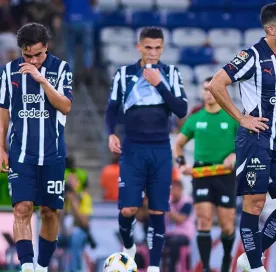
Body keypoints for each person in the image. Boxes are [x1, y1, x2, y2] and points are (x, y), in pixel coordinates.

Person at [206, 3, 276, 272]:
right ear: (270, 29)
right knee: (255, 203)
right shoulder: (251, 56)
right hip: (255, 139)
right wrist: (241, 117)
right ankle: (255, 266)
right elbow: (216, 83)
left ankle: (250, 256)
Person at [104, 26, 188, 272]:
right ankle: (128, 245)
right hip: (133, 148)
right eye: (148, 47)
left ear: (163, 48)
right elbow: (111, 109)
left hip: (161, 149)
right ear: (138, 47)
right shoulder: (124, 74)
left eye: (157, 48)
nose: (153, 53)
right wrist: (111, 133)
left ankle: (153, 266)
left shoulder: (171, 74)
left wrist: (160, 84)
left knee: (157, 209)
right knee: (128, 209)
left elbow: (181, 110)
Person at [0, 23, 73, 272]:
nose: (33, 60)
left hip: (53, 154)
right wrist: (1, 149)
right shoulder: (9, 72)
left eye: (37, 55)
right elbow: (3, 112)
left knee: (49, 212)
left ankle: (42, 266)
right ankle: (27, 267)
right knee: (22, 208)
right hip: (21, 153)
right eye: (27, 55)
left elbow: (66, 106)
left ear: (46, 47)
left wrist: (41, 80)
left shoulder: (60, 69)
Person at [174, 76, 239, 272]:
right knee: (203, 220)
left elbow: (247, 144)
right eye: (205, 89)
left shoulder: (232, 118)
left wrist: (235, 155)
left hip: (225, 174)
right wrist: (182, 163)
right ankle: (205, 267)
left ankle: (227, 259)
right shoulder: (195, 119)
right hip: (202, 173)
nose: (208, 93)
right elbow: (178, 145)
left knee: (227, 225)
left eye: (212, 89)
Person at [164, 181, 195, 272]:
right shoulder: (168, 201)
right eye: (171, 189)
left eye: (175, 189)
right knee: (156, 240)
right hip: (169, 233)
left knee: (174, 242)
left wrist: (167, 208)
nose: (173, 192)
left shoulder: (187, 202)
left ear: (181, 190)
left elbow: (180, 219)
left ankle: (172, 269)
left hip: (184, 234)